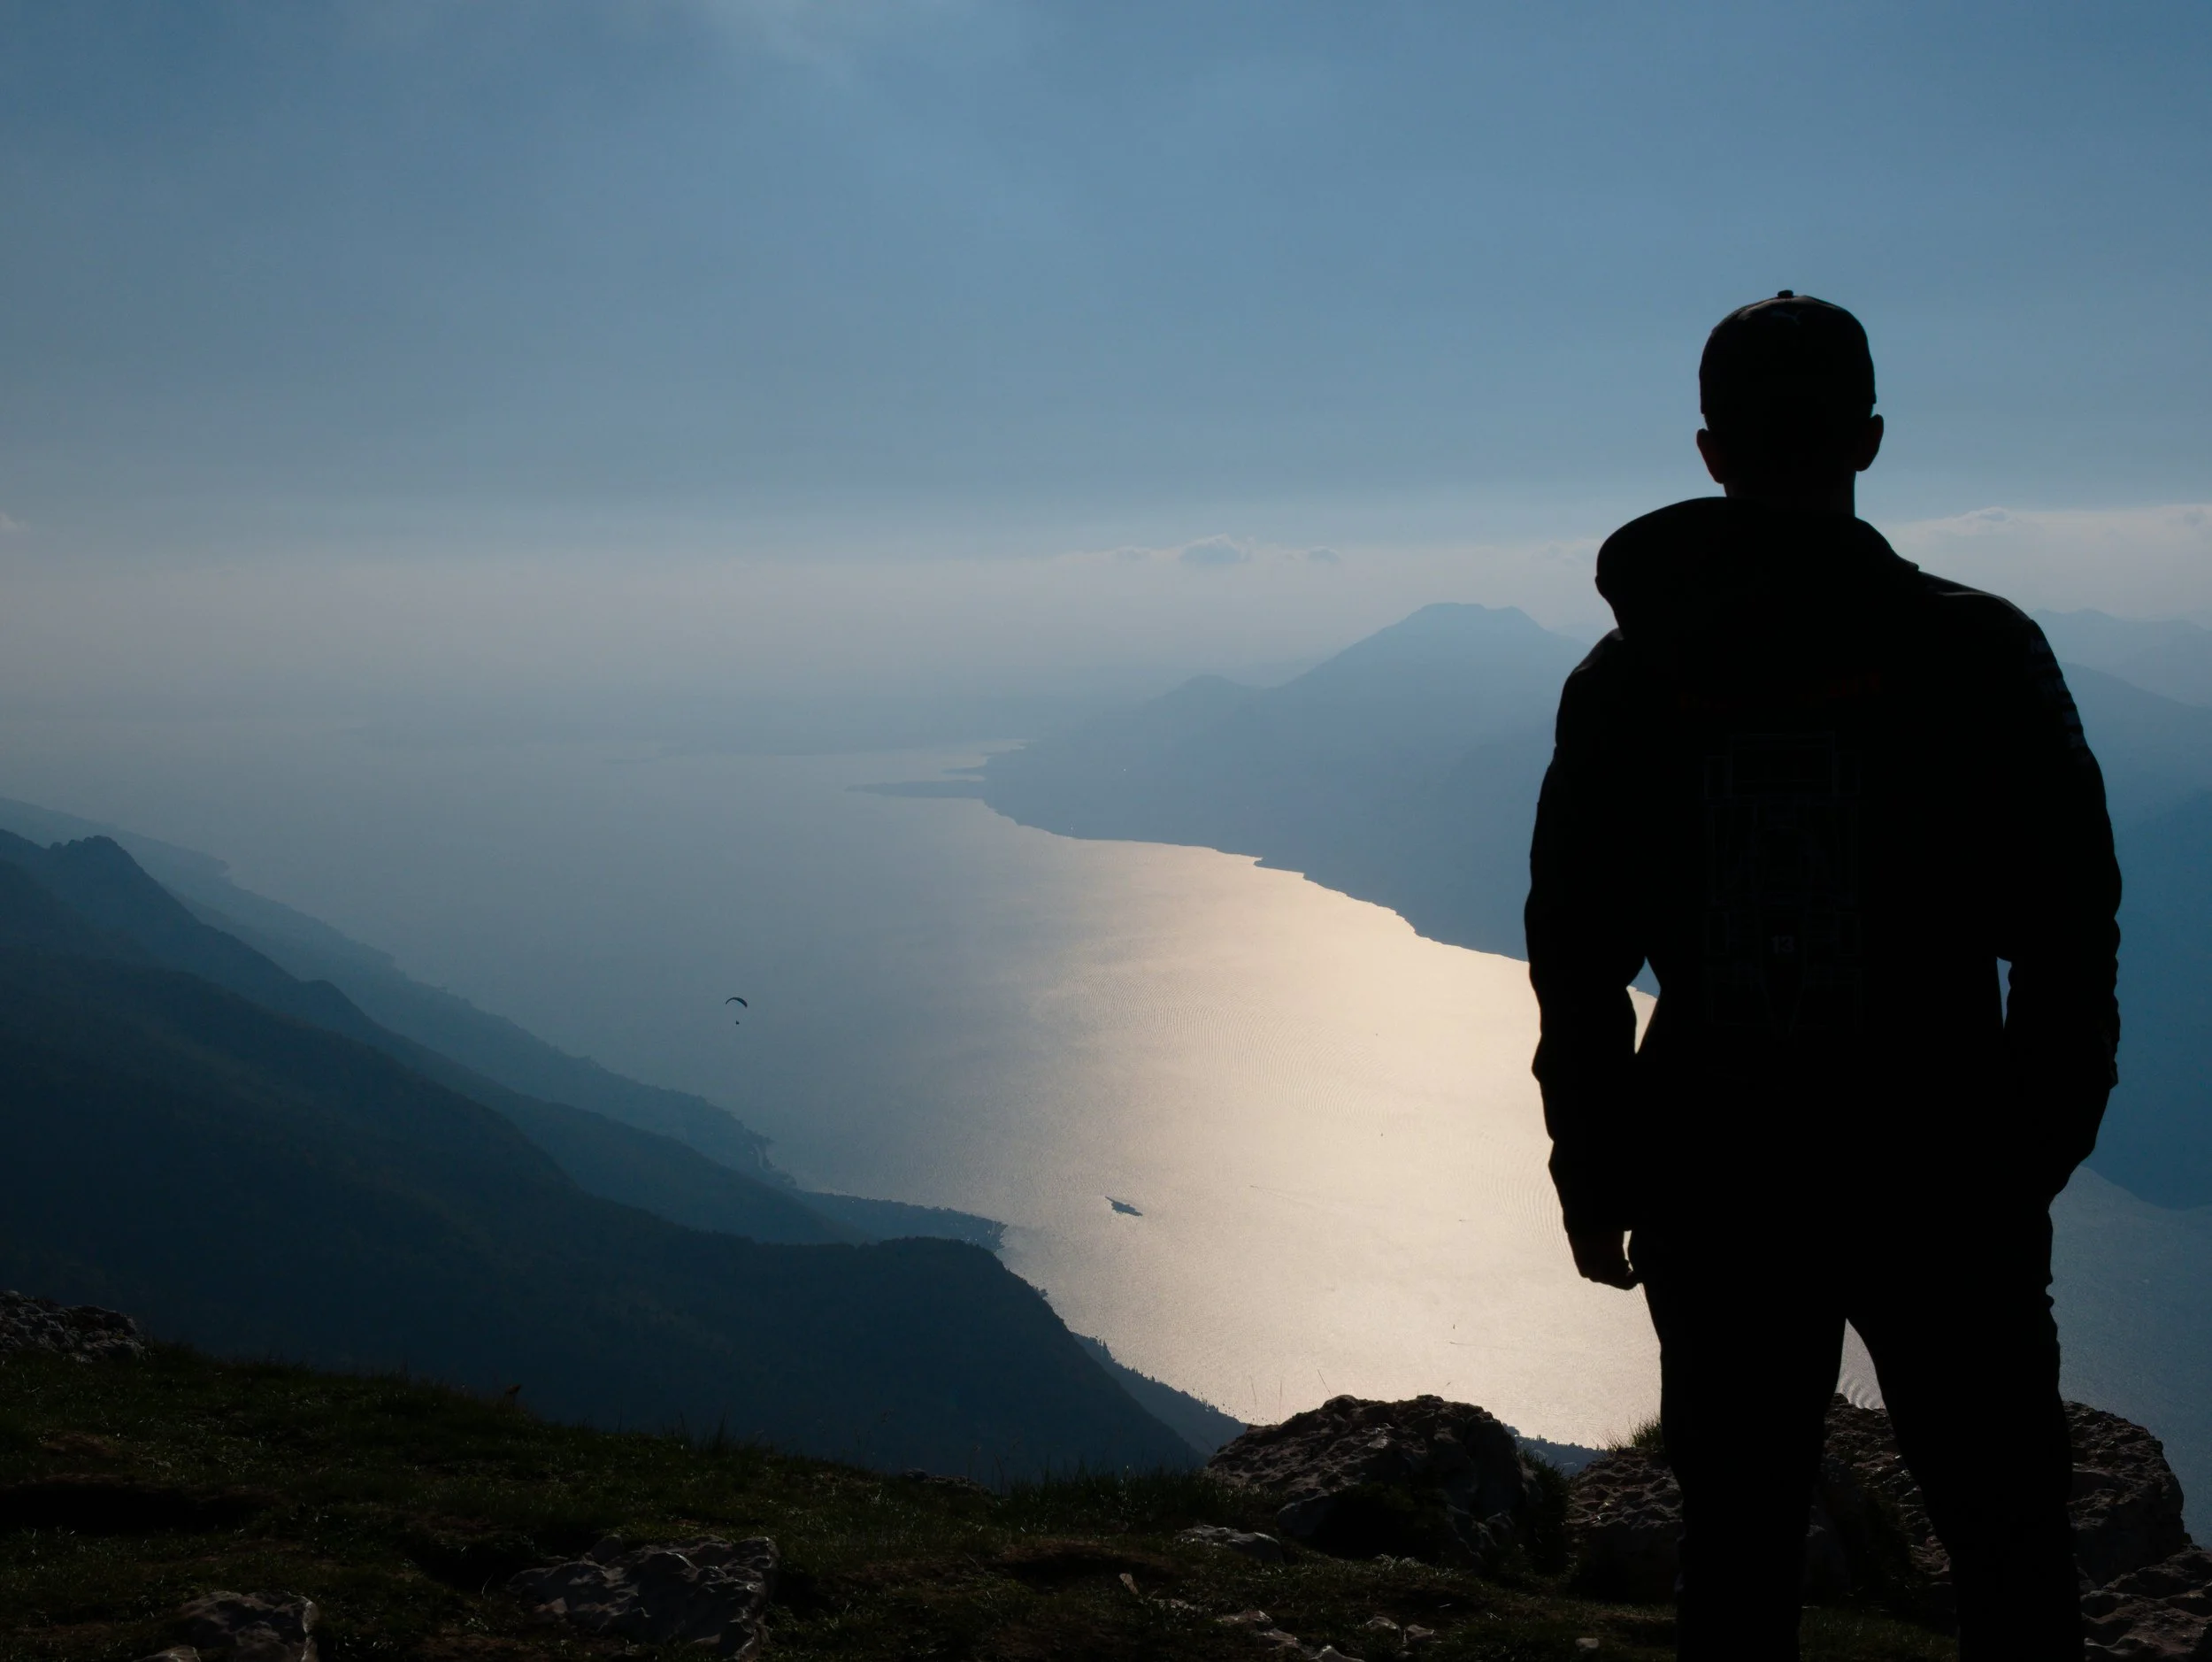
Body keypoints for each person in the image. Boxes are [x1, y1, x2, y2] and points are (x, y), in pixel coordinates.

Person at [1525, 292, 2120, 1659]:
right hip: (1943, 1153)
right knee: (2009, 1548)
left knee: (1738, 1555)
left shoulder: (1631, 677)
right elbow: (2069, 917)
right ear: (1868, 438)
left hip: (1720, 1165)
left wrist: (1594, 1164)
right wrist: (2035, 1140)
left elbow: (1577, 956)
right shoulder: (1978, 654)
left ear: (1711, 451)